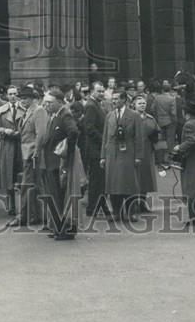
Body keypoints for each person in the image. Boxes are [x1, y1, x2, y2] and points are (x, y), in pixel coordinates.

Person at [39, 87, 80, 240]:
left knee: (59, 197)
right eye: (45, 102)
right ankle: (58, 227)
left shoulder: (65, 115)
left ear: (59, 102)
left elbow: (74, 132)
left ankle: (64, 230)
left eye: (49, 102)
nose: (46, 105)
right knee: (55, 196)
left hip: (58, 163)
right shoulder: (56, 114)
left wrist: (66, 154)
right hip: (52, 162)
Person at [100, 88, 143, 220]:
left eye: (117, 99)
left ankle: (131, 212)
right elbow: (105, 137)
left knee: (129, 183)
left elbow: (139, 137)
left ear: (124, 99)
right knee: (113, 184)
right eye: (112, 99)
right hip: (112, 154)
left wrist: (138, 156)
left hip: (128, 153)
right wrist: (103, 156)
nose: (114, 101)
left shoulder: (134, 115)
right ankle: (117, 211)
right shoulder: (110, 115)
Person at [9, 85, 46, 228]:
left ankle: (23, 216)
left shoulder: (38, 111)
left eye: (25, 98)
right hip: (27, 153)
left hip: (32, 154)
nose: (22, 101)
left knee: (27, 185)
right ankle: (35, 216)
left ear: (32, 98)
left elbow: (41, 134)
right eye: (21, 98)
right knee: (33, 186)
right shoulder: (28, 111)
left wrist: (36, 152)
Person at [0, 85, 24, 215]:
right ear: (6, 95)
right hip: (8, 145)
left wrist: (20, 132)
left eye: (15, 93)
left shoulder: (24, 109)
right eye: (10, 94)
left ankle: (23, 205)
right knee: (9, 176)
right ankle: (11, 206)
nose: (13, 96)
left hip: (22, 144)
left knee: (22, 174)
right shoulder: (0, 111)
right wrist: (5, 130)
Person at [83, 80, 109, 216]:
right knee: (96, 180)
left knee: (100, 181)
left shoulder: (97, 105)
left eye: (102, 91)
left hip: (98, 149)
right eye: (98, 91)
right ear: (92, 91)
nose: (101, 93)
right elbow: (89, 128)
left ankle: (100, 206)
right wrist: (104, 141)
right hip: (95, 150)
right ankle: (92, 208)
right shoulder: (91, 106)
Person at [133, 94, 160, 212]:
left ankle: (142, 203)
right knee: (134, 178)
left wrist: (155, 136)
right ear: (134, 105)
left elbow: (158, 131)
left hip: (148, 151)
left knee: (146, 178)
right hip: (134, 151)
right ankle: (133, 204)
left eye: (144, 103)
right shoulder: (130, 117)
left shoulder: (150, 118)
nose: (142, 105)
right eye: (139, 103)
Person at [152, 80, 177, 165]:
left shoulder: (157, 98)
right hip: (169, 122)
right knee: (170, 140)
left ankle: (160, 159)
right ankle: (168, 158)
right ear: (169, 90)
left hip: (159, 121)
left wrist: (157, 117)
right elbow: (173, 113)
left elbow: (152, 109)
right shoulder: (172, 99)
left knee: (161, 140)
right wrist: (174, 121)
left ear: (162, 90)